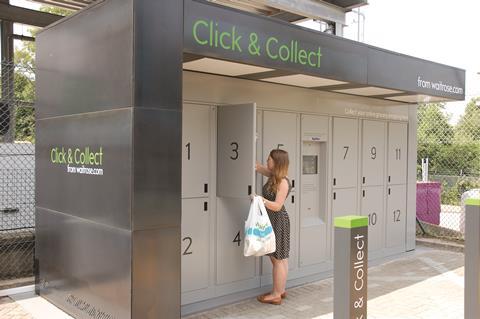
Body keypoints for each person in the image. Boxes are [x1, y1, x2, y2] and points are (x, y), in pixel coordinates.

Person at [254, 149, 291, 305]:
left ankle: (276, 294)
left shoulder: (282, 182)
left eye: (269, 159)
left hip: (278, 221)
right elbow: (259, 167)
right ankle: (280, 290)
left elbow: (276, 206)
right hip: (272, 220)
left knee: (277, 259)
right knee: (280, 258)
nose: (267, 161)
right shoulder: (273, 176)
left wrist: (260, 199)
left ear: (276, 162)